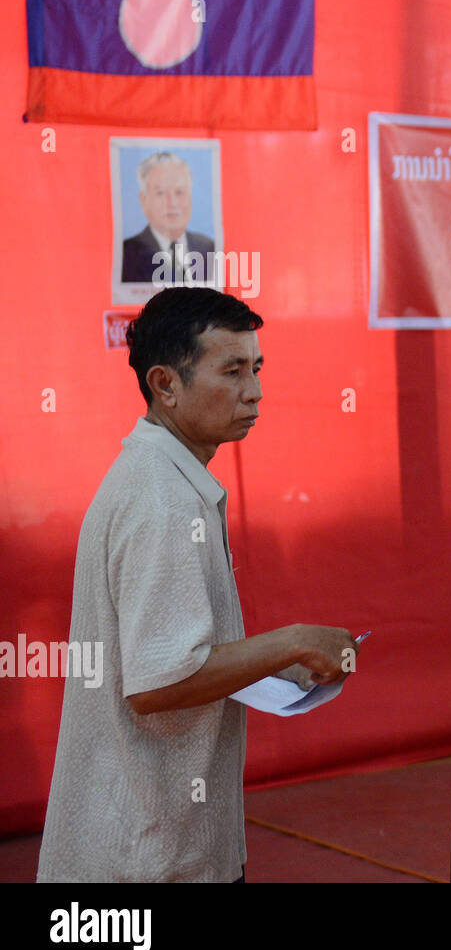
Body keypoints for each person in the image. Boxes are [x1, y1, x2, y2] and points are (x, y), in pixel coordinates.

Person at [37, 287, 358, 882]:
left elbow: (172, 661)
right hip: (149, 861)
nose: (255, 390)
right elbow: (159, 682)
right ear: (165, 385)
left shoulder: (163, 477)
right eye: (232, 370)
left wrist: (272, 667)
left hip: (155, 847)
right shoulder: (160, 497)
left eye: (256, 368)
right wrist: (290, 643)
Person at [121, 151, 217, 284]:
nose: (172, 203)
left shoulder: (209, 248)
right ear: (143, 200)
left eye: (179, 192)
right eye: (160, 193)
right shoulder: (126, 254)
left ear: (190, 196)